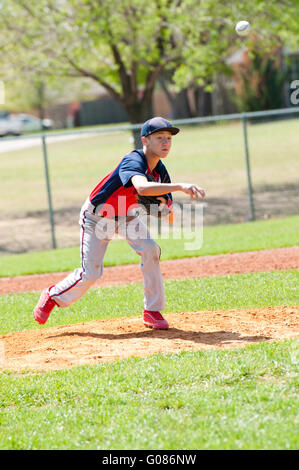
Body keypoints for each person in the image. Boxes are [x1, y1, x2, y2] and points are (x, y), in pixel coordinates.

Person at [33, 117, 205, 330]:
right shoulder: (133, 161)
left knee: (151, 250)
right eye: (159, 137)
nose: (165, 143)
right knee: (91, 272)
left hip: (126, 216)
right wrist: (180, 186)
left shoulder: (160, 170)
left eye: (169, 138)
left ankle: (152, 311)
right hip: (98, 216)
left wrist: (165, 210)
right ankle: (53, 295)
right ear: (145, 140)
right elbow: (141, 188)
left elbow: (164, 205)